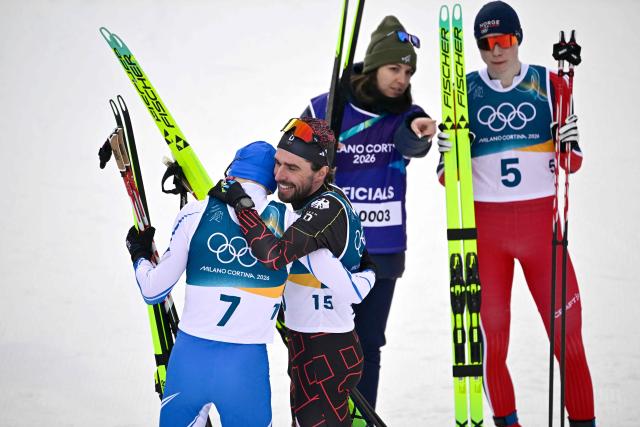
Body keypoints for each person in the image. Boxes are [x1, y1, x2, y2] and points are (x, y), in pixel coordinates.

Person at [125, 140, 375, 427]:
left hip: (189, 362)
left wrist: (139, 253)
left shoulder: (194, 214)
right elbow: (348, 289)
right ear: (272, 183)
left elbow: (153, 291)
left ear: (231, 171)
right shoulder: (290, 222)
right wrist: (367, 268)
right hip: (246, 368)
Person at [436, 2, 595, 426]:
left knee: (569, 343)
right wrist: (448, 154)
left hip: (543, 235)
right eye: (486, 44)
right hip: (486, 239)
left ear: (517, 38)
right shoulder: (463, 91)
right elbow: (446, 179)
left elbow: (572, 163)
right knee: (490, 346)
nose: (495, 51)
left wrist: (569, 141)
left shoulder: (550, 84)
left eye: (503, 40)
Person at [301, 15, 437, 408]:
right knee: (325, 342)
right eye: (395, 68)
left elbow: (412, 141)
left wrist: (420, 133)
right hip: (331, 247)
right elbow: (291, 160)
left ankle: (361, 416)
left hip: (382, 249)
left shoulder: (406, 116)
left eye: (408, 71)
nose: (402, 79)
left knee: (368, 344)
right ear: (376, 65)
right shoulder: (325, 107)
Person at [211, 117, 376, 426]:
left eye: (292, 168)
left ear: (321, 172)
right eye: (278, 163)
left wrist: (240, 203)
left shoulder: (324, 210)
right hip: (312, 345)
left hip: (325, 351)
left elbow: (273, 255)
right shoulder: (318, 204)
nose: (278, 176)